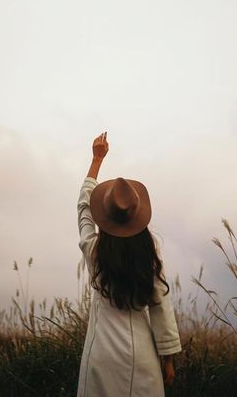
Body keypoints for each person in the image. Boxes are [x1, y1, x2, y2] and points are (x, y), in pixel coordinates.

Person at [77, 131, 182, 397]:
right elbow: (160, 303)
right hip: (142, 357)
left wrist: (97, 159)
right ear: (138, 217)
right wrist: (168, 357)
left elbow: (83, 208)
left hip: (101, 356)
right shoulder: (148, 256)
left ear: (106, 216)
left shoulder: (94, 251)